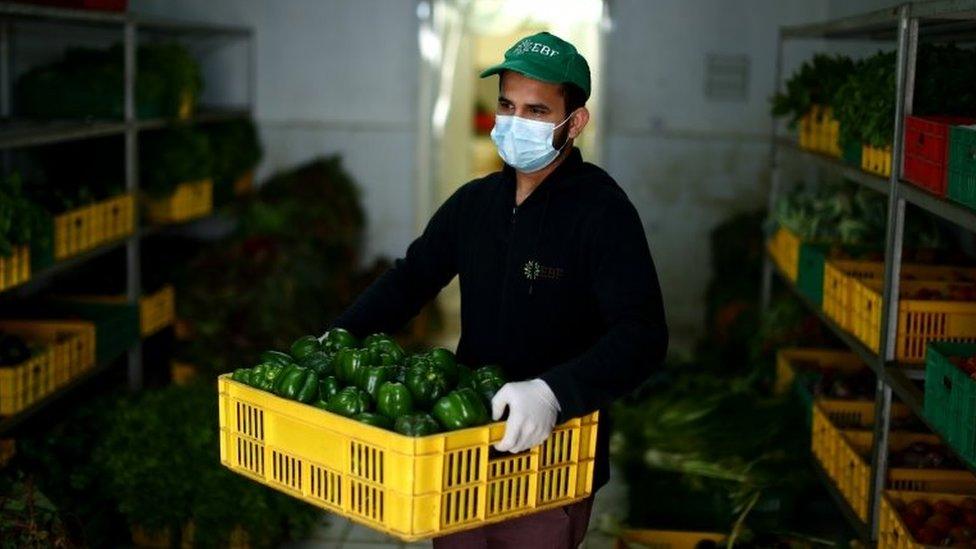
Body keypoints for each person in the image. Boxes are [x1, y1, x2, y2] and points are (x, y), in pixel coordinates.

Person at [331, 31, 668, 548]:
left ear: (574, 122)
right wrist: (336, 341)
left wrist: (553, 393)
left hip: (553, 458)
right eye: (507, 106)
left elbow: (643, 334)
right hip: (467, 438)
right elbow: (410, 280)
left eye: (536, 111)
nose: (513, 123)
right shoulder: (474, 204)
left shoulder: (602, 211)